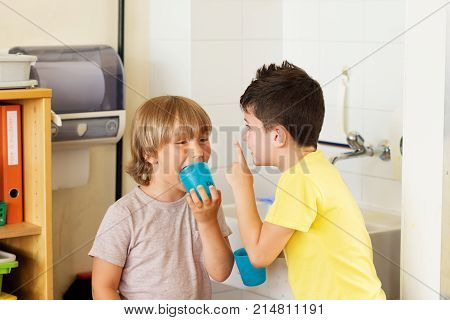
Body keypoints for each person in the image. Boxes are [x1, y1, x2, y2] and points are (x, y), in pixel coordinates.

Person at [226, 61, 385, 299]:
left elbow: (259, 256)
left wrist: (242, 187)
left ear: (278, 135)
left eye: (250, 127)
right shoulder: (319, 167)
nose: (246, 136)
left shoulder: (299, 180)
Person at [89, 96, 234, 299]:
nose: (198, 152)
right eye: (182, 141)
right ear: (149, 153)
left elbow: (221, 273)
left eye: (203, 139)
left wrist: (207, 221)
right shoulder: (125, 214)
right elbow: (103, 287)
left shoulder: (208, 203)